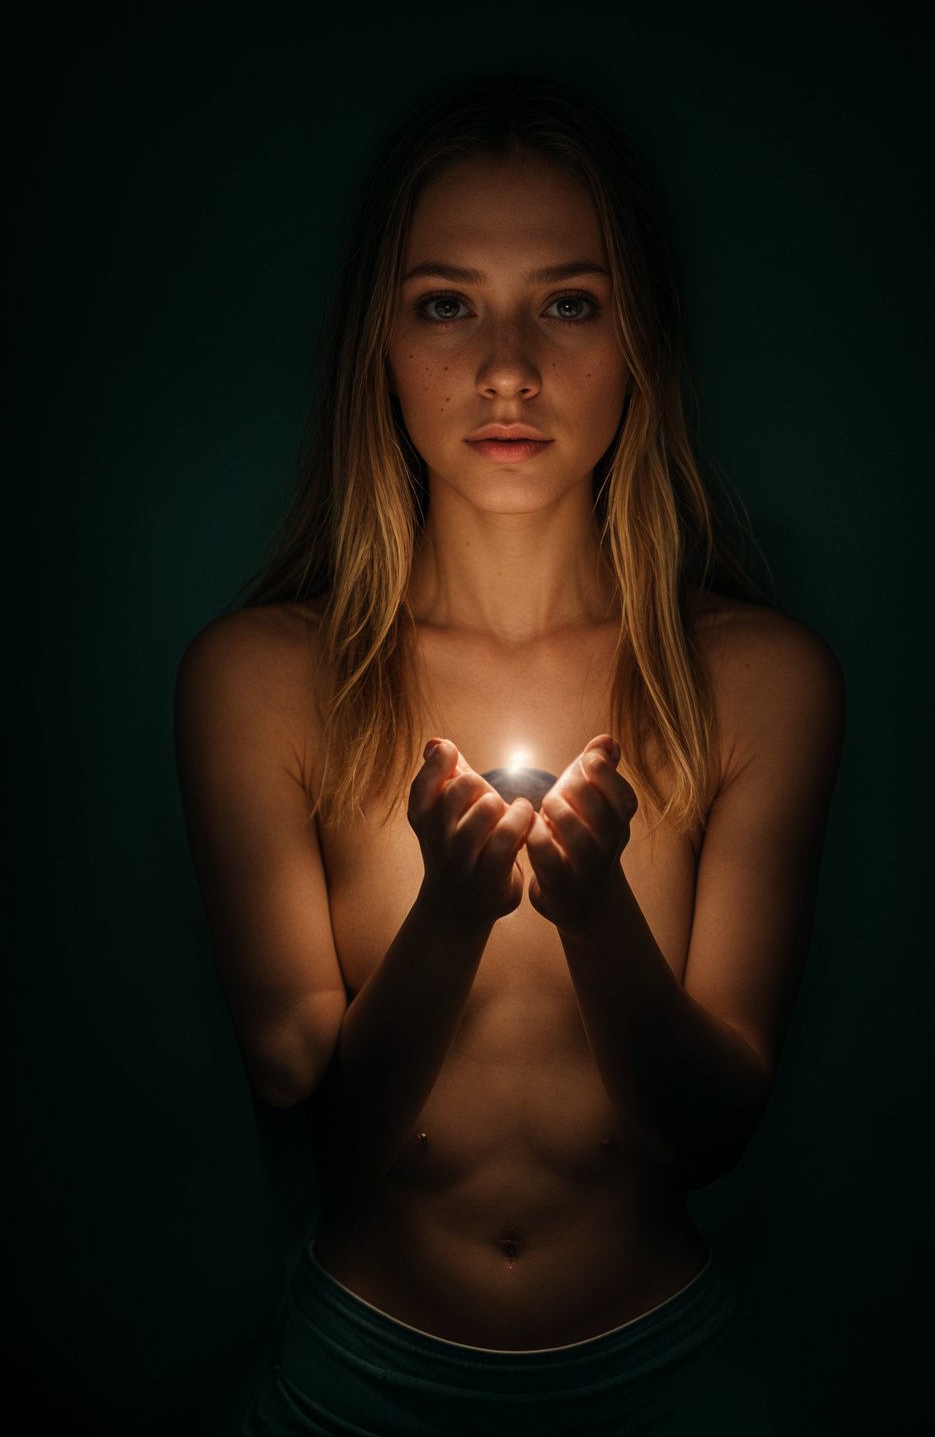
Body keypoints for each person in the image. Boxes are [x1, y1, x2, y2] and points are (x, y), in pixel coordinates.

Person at [174, 72, 845, 1436]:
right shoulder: (263, 682)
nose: (506, 370)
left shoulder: (758, 681)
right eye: (445, 303)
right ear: (379, 339)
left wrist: (595, 915)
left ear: (639, 337)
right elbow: (327, 1136)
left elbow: (711, 1132)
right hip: (354, 1383)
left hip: (674, 1381)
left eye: (568, 302)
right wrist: (453, 912)